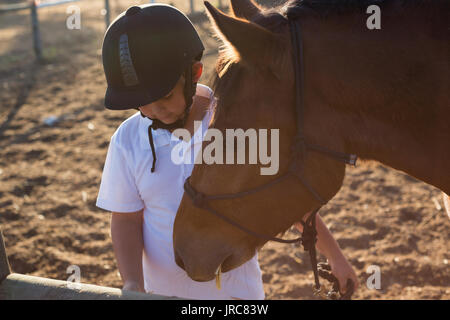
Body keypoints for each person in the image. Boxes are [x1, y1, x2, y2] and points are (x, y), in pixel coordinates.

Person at [96, 3, 358, 300]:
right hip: (161, 296)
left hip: (236, 297)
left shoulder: (238, 127)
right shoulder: (128, 141)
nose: (154, 110)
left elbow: (287, 201)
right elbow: (126, 219)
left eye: (165, 96)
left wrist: (335, 256)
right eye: (142, 103)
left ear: (194, 73)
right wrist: (132, 283)